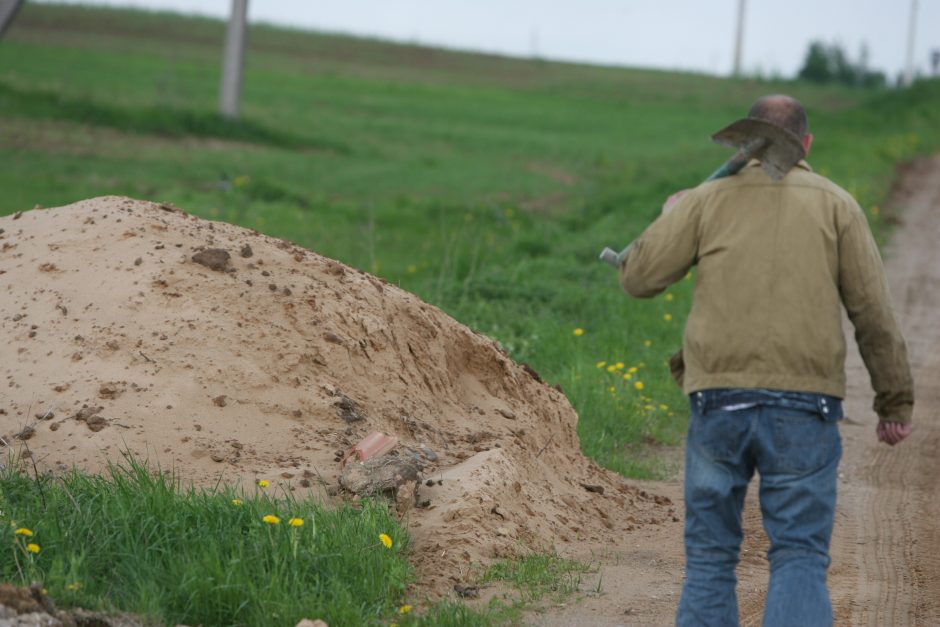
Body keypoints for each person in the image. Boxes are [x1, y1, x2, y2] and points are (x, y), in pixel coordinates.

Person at [616, 95, 914, 626]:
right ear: (806, 144)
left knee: (710, 559)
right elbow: (874, 313)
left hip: (718, 401)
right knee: (799, 553)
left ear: (748, 141)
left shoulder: (707, 201)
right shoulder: (838, 205)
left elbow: (637, 277)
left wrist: (671, 215)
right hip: (805, 405)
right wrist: (893, 400)